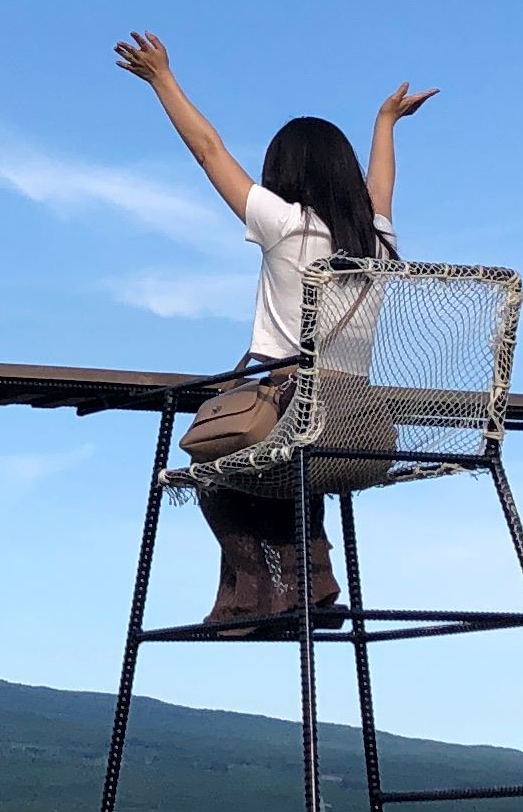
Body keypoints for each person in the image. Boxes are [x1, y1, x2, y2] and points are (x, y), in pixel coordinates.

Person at [113, 31, 434, 628]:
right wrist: (386, 121)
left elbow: (209, 151)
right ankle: (312, 577)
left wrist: (162, 79)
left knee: (210, 456)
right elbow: (381, 190)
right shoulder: (380, 243)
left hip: (293, 416)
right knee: (277, 460)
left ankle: (263, 589)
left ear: (283, 172)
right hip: (362, 432)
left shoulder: (285, 225)